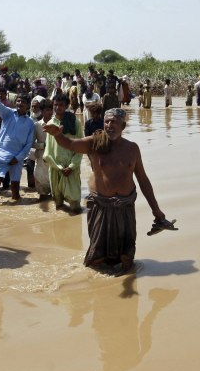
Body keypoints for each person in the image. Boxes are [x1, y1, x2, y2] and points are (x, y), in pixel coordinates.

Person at [44, 107, 167, 273]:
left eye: (114, 122)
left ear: (123, 126)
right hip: (100, 206)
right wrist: (58, 135)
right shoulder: (95, 143)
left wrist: (156, 210)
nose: (109, 125)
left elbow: (143, 180)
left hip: (125, 207)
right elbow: (71, 144)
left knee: (127, 256)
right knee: (97, 258)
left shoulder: (132, 149)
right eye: (106, 122)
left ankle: (125, 282)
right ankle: (97, 286)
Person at [0, 80, 36, 202]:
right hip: (0, 153)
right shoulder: (8, 113)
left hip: (17, 157)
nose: (20, 103)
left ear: (28, 106)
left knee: (15, 186)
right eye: (18, 101)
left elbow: (28, 145)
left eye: (23, 102)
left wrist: (18, 158)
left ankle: (16, 204)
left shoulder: (30, 123)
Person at [44, 94, 83, 212]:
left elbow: (80, 146)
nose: (57, 107)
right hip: (56, 167)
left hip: (71, 167)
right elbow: (48, 150)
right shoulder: (51, 124)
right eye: (55, 105)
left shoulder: (75, 122)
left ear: (66, 106)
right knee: (58, 202)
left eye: (61, 105)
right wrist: (58, 166)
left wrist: (72, 166)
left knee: (75, 202)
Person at [32, 99, 54, 199]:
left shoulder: (56, 124)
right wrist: (42, 146)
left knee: (55, 193)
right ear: (42, 111)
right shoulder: (36, 125)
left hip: (54, 159)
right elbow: (31, 143)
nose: (49, 112)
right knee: (42, 193)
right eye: (47, 110)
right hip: (41, 159)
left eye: (51, 109)